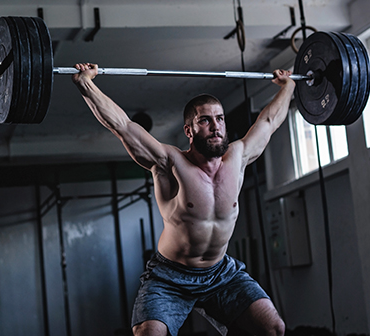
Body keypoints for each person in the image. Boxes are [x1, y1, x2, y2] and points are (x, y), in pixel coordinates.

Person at [73, 63, 294, 336]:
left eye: (220, 118)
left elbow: (269, 121)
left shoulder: (238, 157)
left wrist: (290, 86)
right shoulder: (170, 162)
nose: (216, 127)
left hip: (221, 274)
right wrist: (86, 84)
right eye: (205, 120)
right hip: (170, 278)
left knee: (273, 328)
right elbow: (122, 126)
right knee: (149, 334)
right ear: (189, 131)